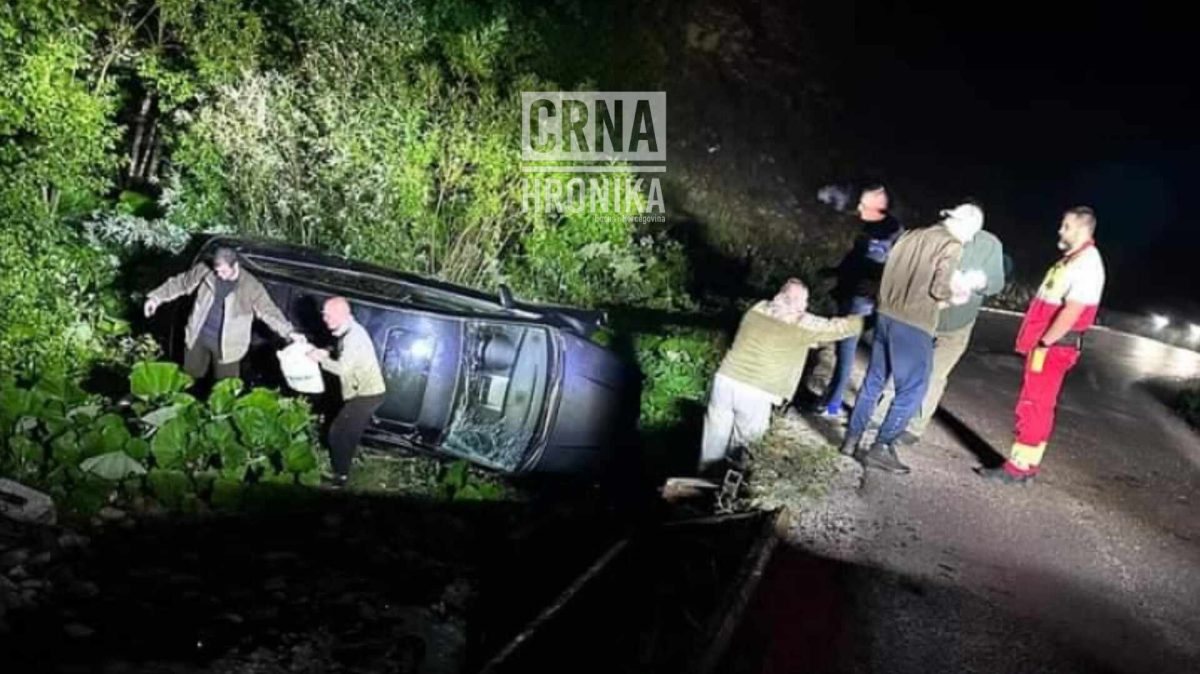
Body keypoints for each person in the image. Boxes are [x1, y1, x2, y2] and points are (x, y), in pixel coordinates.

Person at [840, 203, 982, 474]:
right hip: (914, 324)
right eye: (972, 233)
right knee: (914, 389)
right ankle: (882, 447)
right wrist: (958, 294)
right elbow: (939, 289)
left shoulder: (910, 235)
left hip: (885, 315)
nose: (970, 239)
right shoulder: (951, 245)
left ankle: (851, 439)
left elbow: (894, 274)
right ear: (964, 226)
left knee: (874, 381)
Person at [979, 207, 1104, 485]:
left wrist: (1045, 342)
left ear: (1083, 229)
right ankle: (1026, 466)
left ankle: (1018, 469)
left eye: (1066, 226)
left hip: (1053, 348)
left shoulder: (1086, 264)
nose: (1061, 231)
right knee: (1037, 404)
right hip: (1049, 346)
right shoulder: (1073, 260)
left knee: (1034, 405)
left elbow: (1072, 311)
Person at [701, 280, 863, 473]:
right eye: (804, 301)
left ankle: (699, 484)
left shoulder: (758, 308)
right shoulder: (802, 324)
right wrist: (865, 314)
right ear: (795, 303)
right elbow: (842, 328)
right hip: (756, 392)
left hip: (725, 381)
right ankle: (727, 492)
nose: (806, 306)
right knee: (743, 448)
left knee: (712, 443)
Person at [872, 213, 1006, 444]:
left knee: (935, 376)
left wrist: (980, 282)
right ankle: (879, 414)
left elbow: (997, 283)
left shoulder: (989, 245)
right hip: (925, 316)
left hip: (958, 324)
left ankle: (914, 428)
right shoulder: (936, 237)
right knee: (905, 368)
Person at [811, 184, 904, 419]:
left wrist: (878, 288)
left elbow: (898, 270)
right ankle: (834, 403)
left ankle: (836, 406)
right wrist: (835, 272)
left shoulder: (892, 233)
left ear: (880, 209)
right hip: (853, 296)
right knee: (844, 352)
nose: (859, 207)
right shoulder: (869, 227)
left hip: (866, 303)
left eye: (865, 205)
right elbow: (856, 259)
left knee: (852, 352)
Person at [144, 246, 305, 380]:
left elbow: (269, 312)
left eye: (223, 272)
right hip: (198, 338)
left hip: (228, 347)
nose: (219, 275)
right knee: (189, 378)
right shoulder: (205, 271)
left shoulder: (250, 287)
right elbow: (181, 283)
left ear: (235, 266)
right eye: (217, 271)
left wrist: (289, 332)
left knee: (225, 390)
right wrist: (156, 298)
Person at [306, 297, 386, 486]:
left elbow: (342, 369)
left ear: (342, 315)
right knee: (348, 432)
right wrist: (327, 350)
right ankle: (345, 466)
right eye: (324, 315)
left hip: (367, 394)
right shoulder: (347, 329)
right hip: (363, 391)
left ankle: (340, 477)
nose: (325, 319)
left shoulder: (354, 338)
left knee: (337, 433)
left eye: (328, 315)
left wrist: (319, 360)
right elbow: (339, 347)